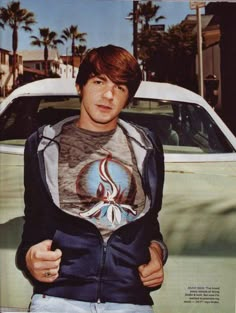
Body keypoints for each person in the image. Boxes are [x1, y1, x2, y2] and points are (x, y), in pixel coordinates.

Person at [16, 44, 168, 313]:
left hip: (129, 297)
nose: (108, 95)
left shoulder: (147, 146)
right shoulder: (43, 144)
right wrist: (30, 257)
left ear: (128, 97)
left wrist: (157, 253)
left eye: (120, 88)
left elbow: (150, 223)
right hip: (60, 296)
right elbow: (35, 223)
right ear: (80, 86)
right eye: (99, 82)